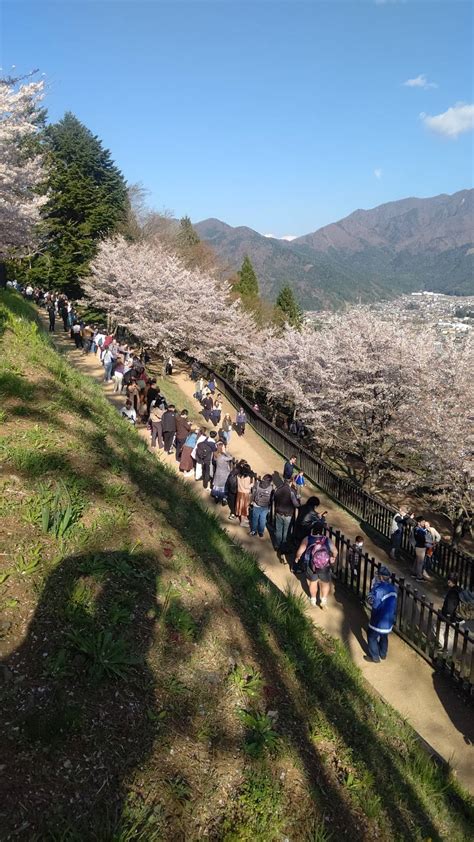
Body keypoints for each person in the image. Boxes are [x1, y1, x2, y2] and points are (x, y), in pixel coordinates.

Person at [294, 523, 338, 609]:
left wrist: (297, 558)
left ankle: (313, 600)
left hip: (311, 565)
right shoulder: (327, 539)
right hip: (324, 565)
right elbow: (335, 551)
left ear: (312, 530)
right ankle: (323, 600)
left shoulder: (307, 539)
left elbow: (300, 551)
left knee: (312, 582)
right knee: (325, 583)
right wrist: (333, 558)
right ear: (322, 531)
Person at [366, 565, 398, 662]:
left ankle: (374, 656)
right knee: (384, 636)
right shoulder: (394, 588)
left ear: (380, 577)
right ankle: (383, 654)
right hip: (389, 618)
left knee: (371, 636)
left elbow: (374, 604)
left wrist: (370, 596)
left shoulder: (379, 590)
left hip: (378, 619)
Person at [273, 479, 299, 558]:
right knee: (286, 532)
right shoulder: (291, 492)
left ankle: (277, 545)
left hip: (278, 513)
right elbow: (296, 504)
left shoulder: (278, 490)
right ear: (290, 483)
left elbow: (274, 499)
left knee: (278, 530)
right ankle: (283, 548)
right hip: (288, 514)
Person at [411, 517, 428, 581]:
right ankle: (419, 576)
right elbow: (423, 539)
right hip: (420, 547)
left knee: (417, 560)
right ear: (419, 522)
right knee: (420, 562)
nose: (424, 523)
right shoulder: (419, 530)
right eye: (422, 522)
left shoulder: (417, 529)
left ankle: (414, 572)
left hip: (418, 546)